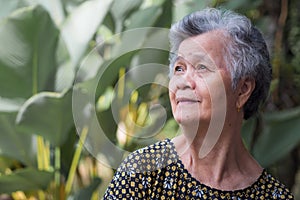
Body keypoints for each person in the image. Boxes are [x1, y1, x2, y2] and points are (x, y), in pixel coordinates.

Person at [103, 8, 294, 199]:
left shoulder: (273, 196)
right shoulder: (143, 173)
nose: (183, 81)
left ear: (243, 89)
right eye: (179, 68)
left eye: (202, 67)